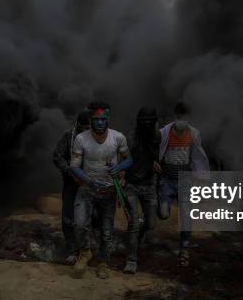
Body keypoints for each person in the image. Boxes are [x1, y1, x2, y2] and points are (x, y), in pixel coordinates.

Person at [70, 101, 132, 279]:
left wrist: (119, 168)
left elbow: (129, 159)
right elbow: (74, 167)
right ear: (91, 120)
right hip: (87, 189)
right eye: (96, 119)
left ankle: (103, 262)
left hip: (109, 191)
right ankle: (84, 253)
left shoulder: (118, 137)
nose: (99, 123)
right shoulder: (81, 139)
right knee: (80, 223)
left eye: (102, 119)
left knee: (107, 230)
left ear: (107, 120)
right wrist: (89, 181)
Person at [157, 102, 209, 267]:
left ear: (188, 118)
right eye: (179, 117)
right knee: (164, 213)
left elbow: (197, 156)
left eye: (184, 117)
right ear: (175, 116)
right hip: (166, 179)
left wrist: (200, 177)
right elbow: (156, 150)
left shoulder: (194, 134)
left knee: (186, 215)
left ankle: (184, 248)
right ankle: (160, 203)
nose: (181, 120)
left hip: (185, 181)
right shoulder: (164, 132)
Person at [122, 107, 161, 274]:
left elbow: (159, 156)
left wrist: (157, 164)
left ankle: (138, 237)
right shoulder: (130, 139)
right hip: (131, 185)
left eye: (149, 121)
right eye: (143, 121)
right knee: (133, 224)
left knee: (150, 223)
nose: (147, 124)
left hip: (149, 185)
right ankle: (131, 260)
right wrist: (121, 177)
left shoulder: (157, 137)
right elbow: (122, 159)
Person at [52, 110, 92, 263]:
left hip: (90, 182)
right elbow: (57, 156)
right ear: (78, 125)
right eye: (84, 128)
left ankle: (89, 249)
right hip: (71, 182)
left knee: (92, 215)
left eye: (89, 127)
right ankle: (72, 251)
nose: (86, 131)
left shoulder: (97, 136)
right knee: (68, 216)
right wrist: (69, 170)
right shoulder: (68, 136)